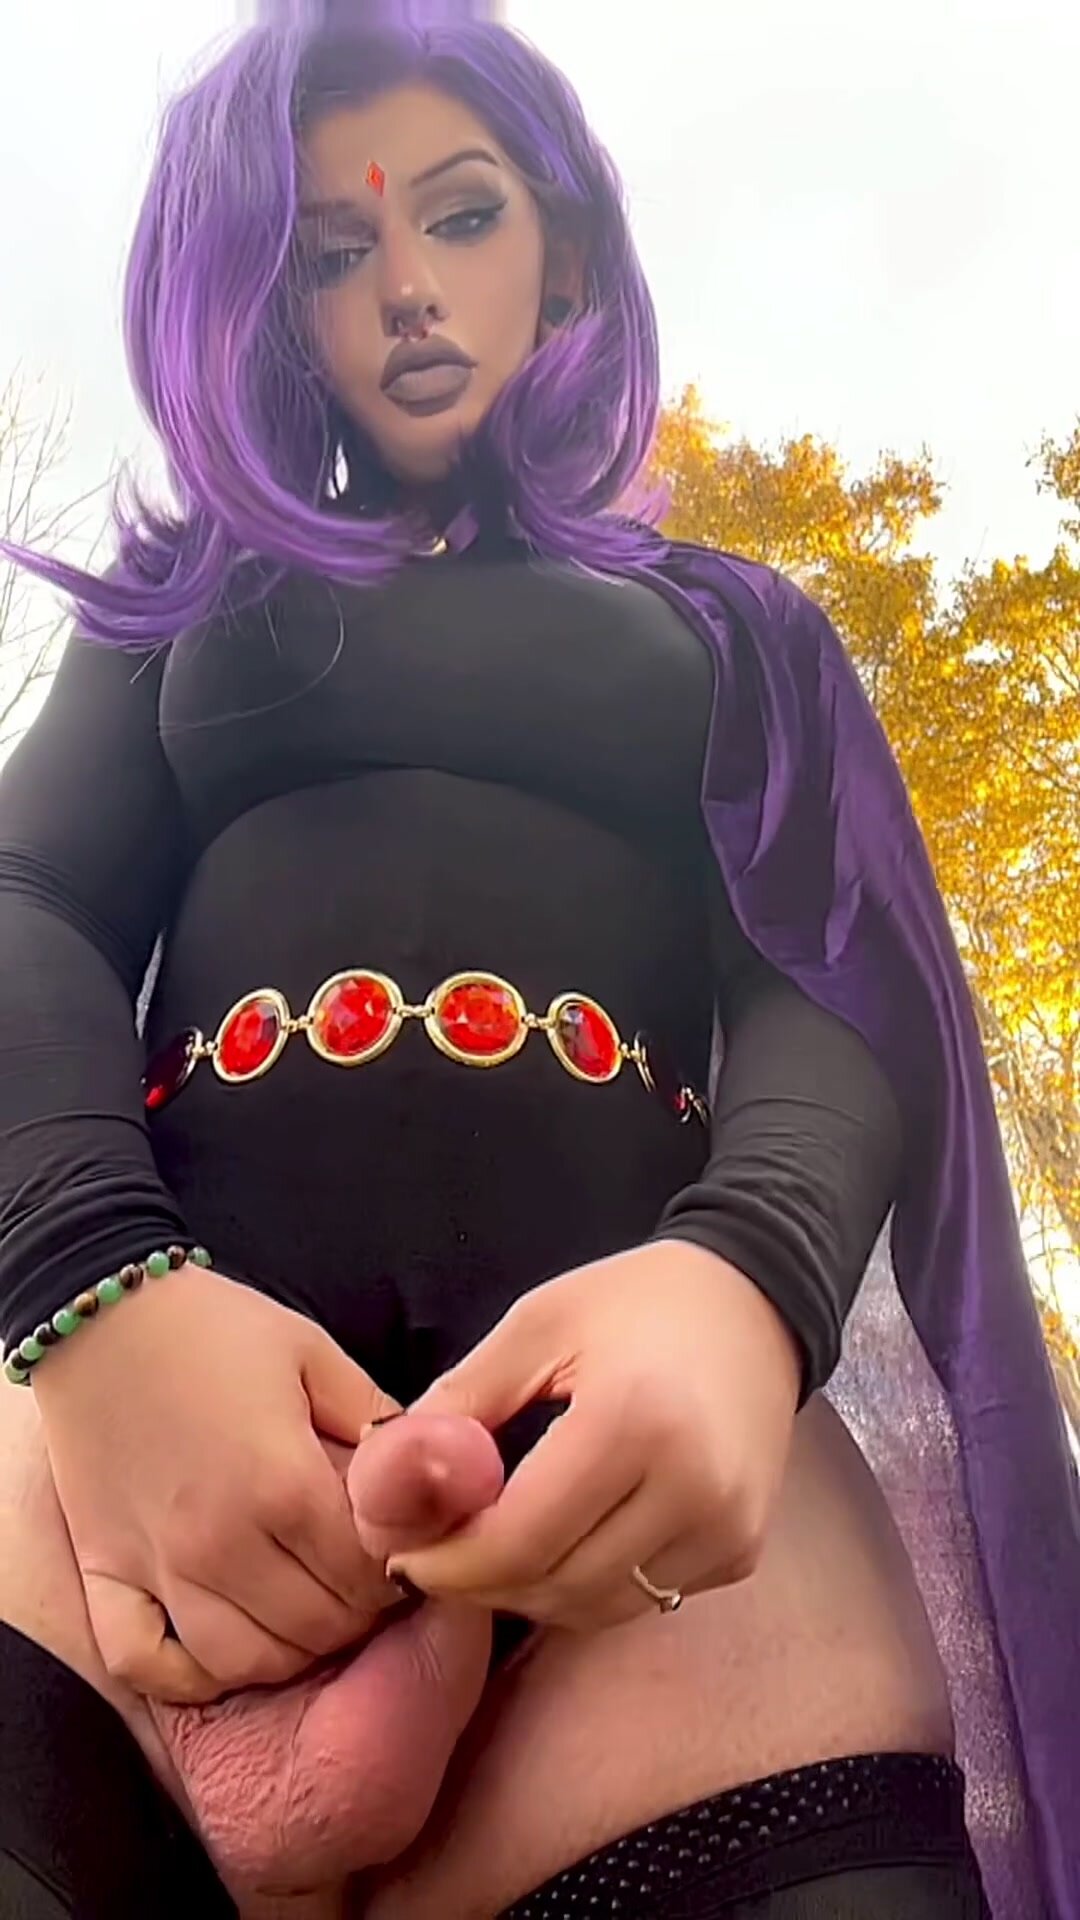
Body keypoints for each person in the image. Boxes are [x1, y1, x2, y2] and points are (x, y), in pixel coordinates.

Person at [0, 2, 1076, 1915]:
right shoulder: (173, 608)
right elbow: (29, 902)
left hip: (659, 1554)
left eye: (464, 213)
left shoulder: (731, 630)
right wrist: (83, 1281)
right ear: (267, 309)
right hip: (125, 1479)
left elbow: (826, 976)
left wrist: (754, 1278)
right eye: (333, 250)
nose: (407, 287)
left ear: (563, 255)